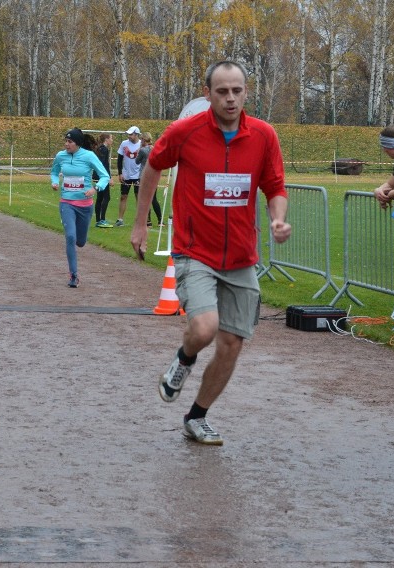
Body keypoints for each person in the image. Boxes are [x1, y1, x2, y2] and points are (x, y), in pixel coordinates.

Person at [130, 60, 292, 445]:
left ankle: (197, 416)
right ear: (208, 94)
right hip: (194, 251)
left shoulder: (264, 136)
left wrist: (278, 220)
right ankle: (184, 359)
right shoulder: (185, 132)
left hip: (240, 256)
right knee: (203, 328)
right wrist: (140, 224)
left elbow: (275, 186)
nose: (231, 98)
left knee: (232, 343)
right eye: (222, 91)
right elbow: (152, 167)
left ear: (246, 92)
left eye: (237, 90)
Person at [51, 128, 110, 288]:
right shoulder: (60, 155)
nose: (66, 144)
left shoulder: (89, 156)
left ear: (77, 143)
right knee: (70, 237)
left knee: (81, 241)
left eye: (69, 142)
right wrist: (54, 181)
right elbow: (54, 171)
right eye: (66, 141)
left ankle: (79, 243)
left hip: (85, 205)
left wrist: (95, 188)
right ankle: (73, 275)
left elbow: (105, 176)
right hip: (66, 203)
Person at [114, 126, 142, 227]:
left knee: (138, 197)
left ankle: (140, 220)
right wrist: (120, 173)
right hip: (126, 175)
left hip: (138, 175)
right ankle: (120, 219)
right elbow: (119, 159)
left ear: (136, 134)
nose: (129, 136)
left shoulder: (141, 144)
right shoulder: (124, 144)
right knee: (123, 196)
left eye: (131, 134)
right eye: (128, 134)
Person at [135, 132, 162, 227]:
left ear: (143, 140)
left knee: (145, 199)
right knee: (154, 199)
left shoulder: (142, 150)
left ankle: (148, 221)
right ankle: (160, 221)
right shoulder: (155, 149)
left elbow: (137, 161)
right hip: (153, 175)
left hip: (144, 176)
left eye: (141, 139)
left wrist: (138, 152)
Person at [93, 133, 114, 228]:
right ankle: (102, 220)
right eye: (111, 138)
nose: (112, 140)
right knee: (106, 197)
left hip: (98, 176)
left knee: (100, 198)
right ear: (106, 139)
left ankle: (98, 220)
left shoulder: (100, 148)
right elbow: (103, 165)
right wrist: (108, 178)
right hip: (102, 177)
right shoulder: (104, 149)